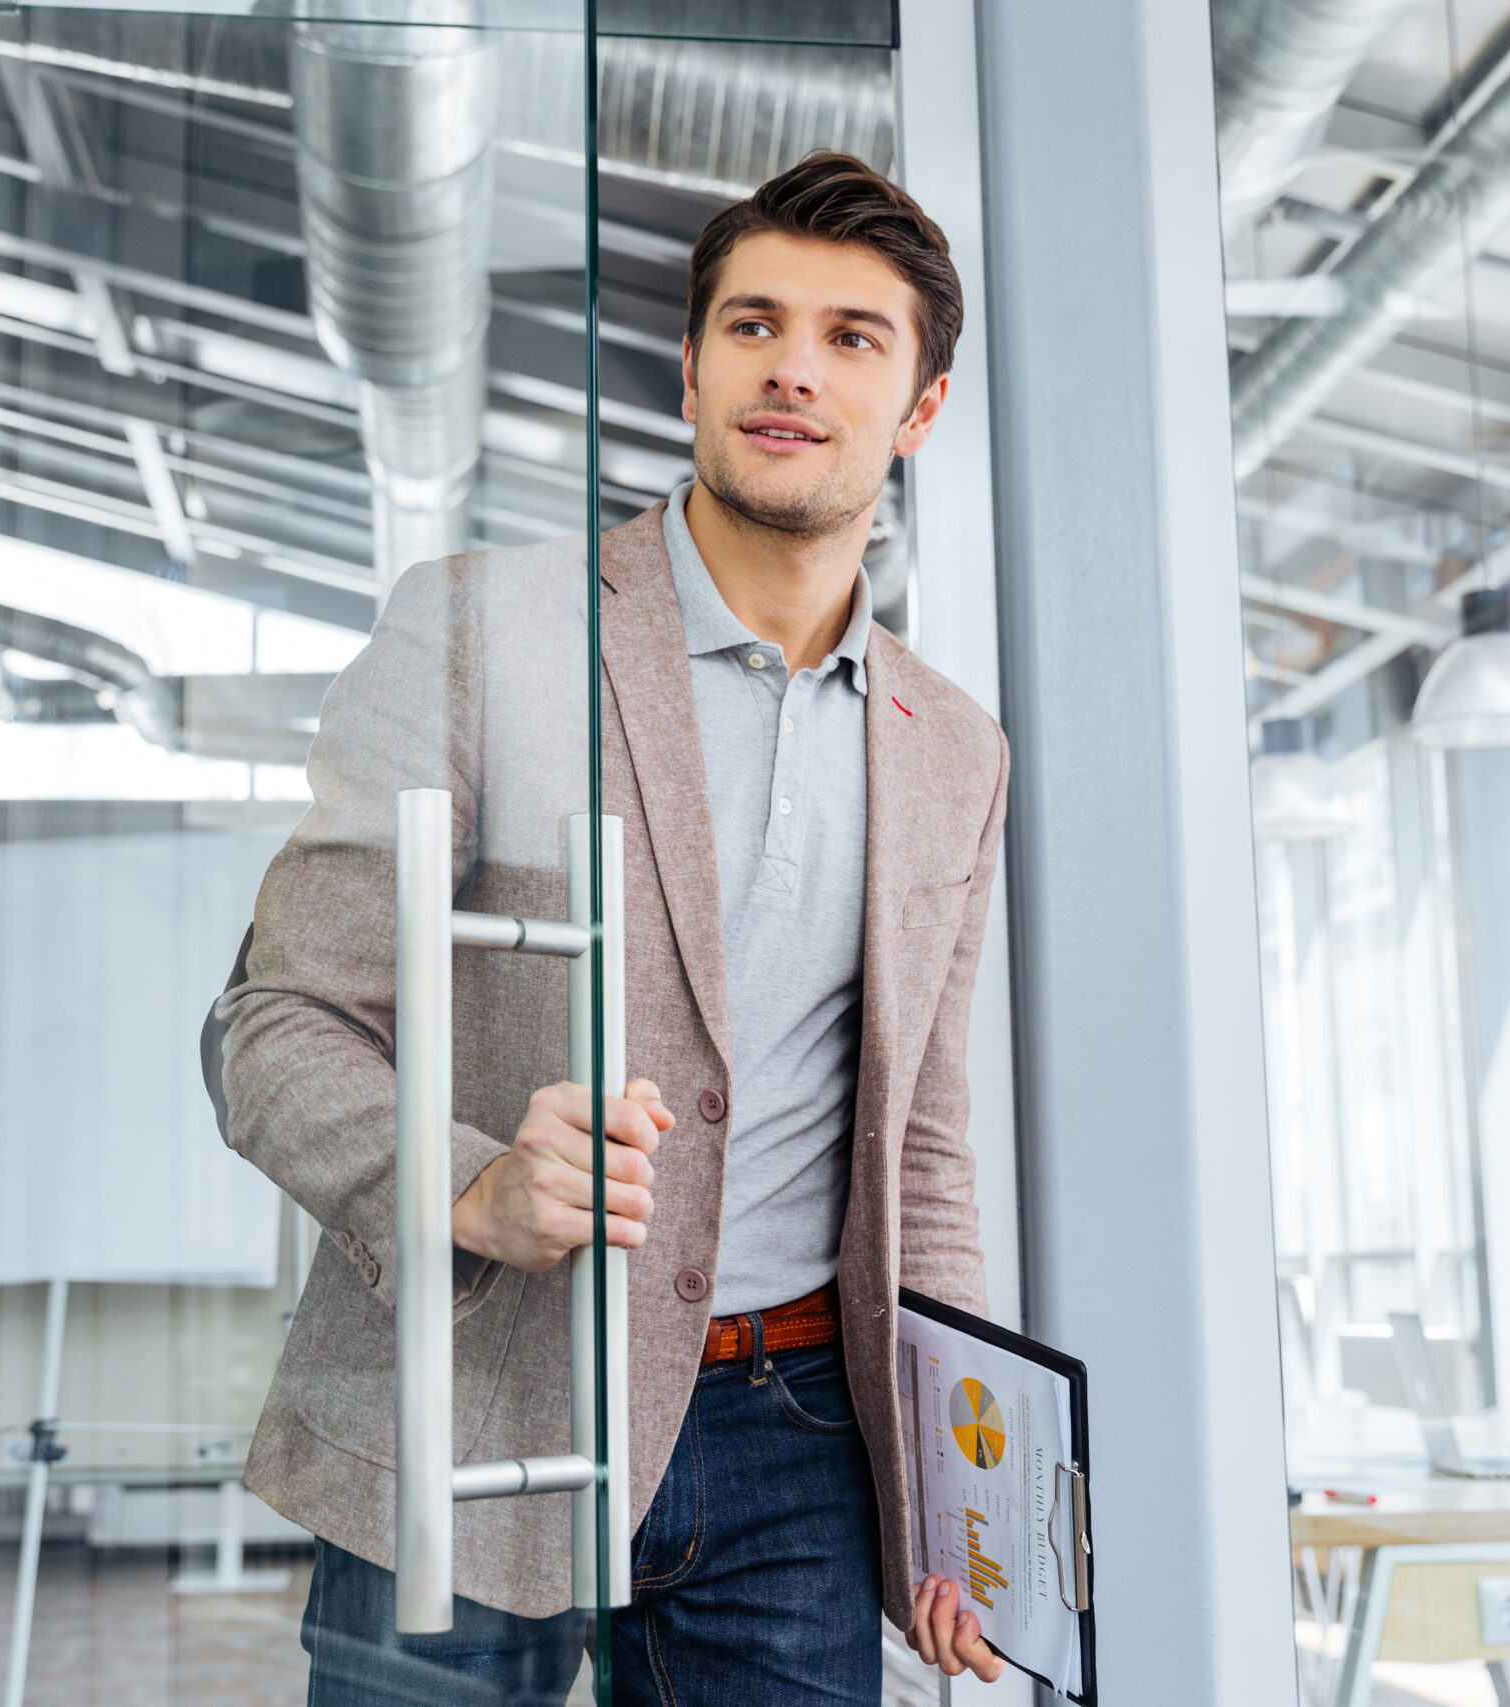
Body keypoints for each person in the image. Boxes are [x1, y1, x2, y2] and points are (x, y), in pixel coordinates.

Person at [211, 151, 1011, 1705]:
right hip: (471, 1399)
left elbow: (920, 1151)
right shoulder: (483, 629)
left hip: (794, 1450)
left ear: (917, 409)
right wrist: (470, 1188)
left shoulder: (950, 746)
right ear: (694, 365)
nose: (794, 366)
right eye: (754, 325)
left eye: (854, 338)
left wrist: (959, 1488)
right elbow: (274, 1025)